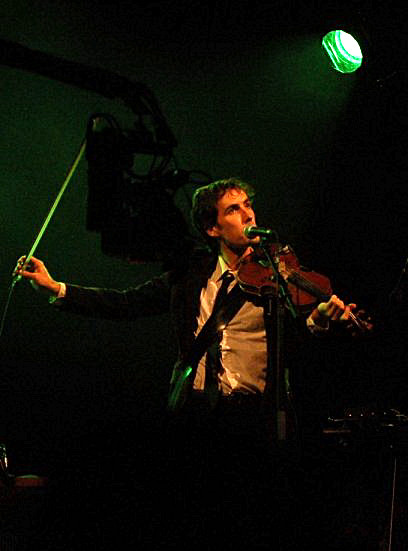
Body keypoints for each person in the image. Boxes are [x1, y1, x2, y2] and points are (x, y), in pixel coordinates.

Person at [14, 177, 364, 548]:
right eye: (234, 209)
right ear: (213, 228)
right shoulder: (190, 275)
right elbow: (127, 303)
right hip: (196, 415)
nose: (247, 214)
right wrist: (57, 289)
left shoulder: (278, 275)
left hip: (252, 418)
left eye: (247, 205)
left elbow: (297, 340)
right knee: (192, 522)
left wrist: (320, 320)